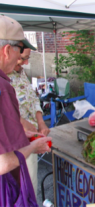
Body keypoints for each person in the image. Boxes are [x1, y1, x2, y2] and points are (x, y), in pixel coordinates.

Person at [0, 15, 52, 205]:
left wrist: (36, 124)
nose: (22, 61)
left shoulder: (16, 76)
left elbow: (31, 99)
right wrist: (33, 145)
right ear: (7, 50)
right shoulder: (3, 86)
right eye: (20, 51)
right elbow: (5, 163)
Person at [8, 41, 50, 197]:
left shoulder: (20, 72)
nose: (25, 63)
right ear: (8, 53)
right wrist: (20, 122)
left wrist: (40, 122)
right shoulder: (4, 77)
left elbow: (32, 99)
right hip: (12, 145)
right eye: (22, 58)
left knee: (30, 186)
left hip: (29, 139)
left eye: (28, 59)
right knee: (15, 192)